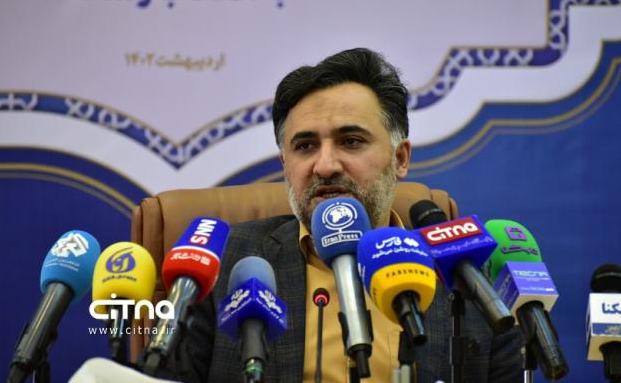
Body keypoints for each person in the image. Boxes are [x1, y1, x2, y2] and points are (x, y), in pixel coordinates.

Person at [169, 48, 524, 382]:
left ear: (400, 159)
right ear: (285, 164)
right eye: (305, 146)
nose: (325, 166)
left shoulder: (472, 280)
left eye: (351, 141)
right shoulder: (227, 261)